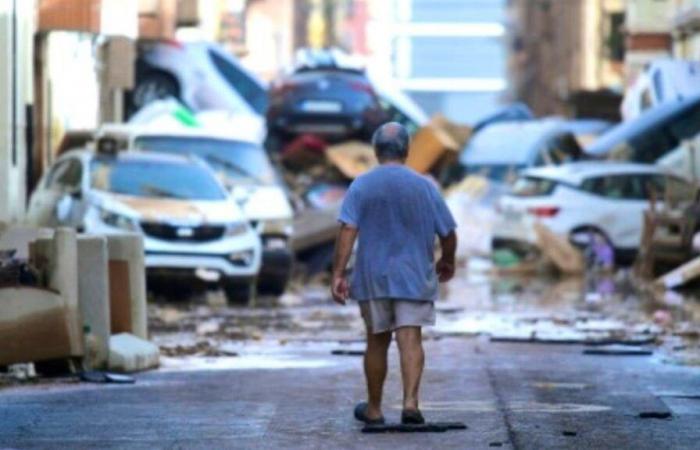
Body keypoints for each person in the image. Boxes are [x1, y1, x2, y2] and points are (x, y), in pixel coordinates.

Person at [331, 122, 457, 425]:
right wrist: (447, 261)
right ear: (406, 150)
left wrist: (338, 273)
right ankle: (410, 404)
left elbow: (348, 229)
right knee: (410, 338)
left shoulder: (361, 185)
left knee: (377, 341)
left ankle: (374, 409)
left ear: (376, 151)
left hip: (373, 276)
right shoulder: (425, 186)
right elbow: (448, 232)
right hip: (414, 275)